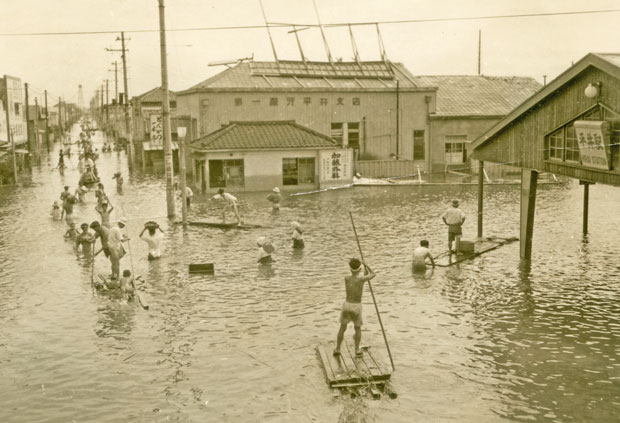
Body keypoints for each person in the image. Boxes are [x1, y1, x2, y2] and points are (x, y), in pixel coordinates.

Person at [334, 258, 376, 357]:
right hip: (356, 306)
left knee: (342, 327)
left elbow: (359, 277)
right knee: (357, 328)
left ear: (350, 269)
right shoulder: (361, 279)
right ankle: (357, 349)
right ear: (359, 269)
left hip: (347, 304)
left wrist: (363, 272)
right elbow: (373, 274)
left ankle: (337, 348)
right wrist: (366, 265)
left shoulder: (346, 278)